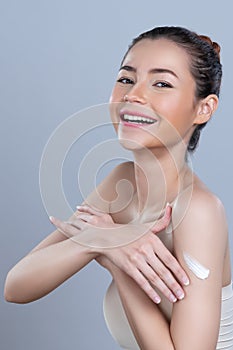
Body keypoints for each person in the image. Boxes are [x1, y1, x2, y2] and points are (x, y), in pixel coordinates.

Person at [4, 26, 233, 349]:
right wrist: (101, 242)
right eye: (126, 78)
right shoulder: (122, 181)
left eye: (162, 84)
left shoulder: (198, 211)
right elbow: (16, 287)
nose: (133, 95)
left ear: (204, 108)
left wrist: (117, 257)